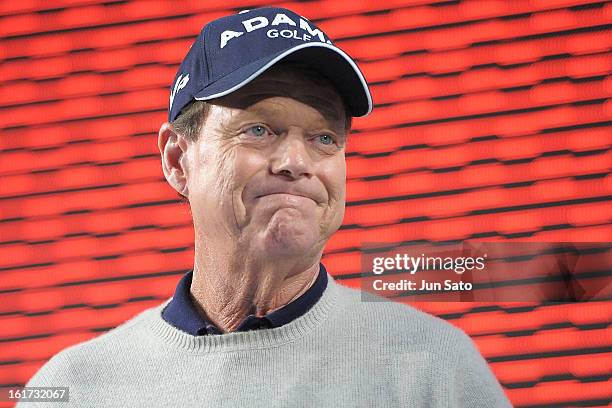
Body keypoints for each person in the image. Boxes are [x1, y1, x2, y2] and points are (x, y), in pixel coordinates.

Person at [21, 7, 511, 407]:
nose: (297, 162)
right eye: (260, 129)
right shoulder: (75, 390)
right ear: (177, 160)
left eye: (324, 138)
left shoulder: (433, 369)